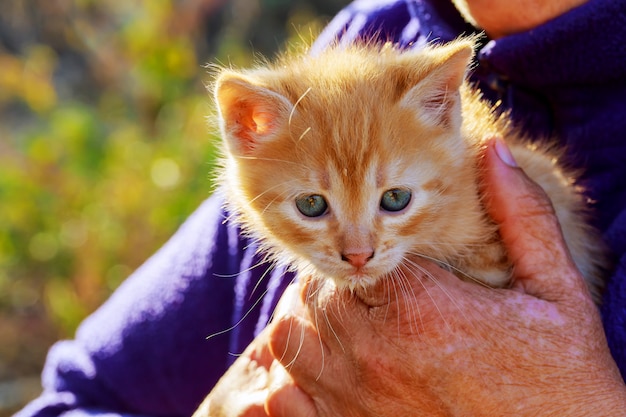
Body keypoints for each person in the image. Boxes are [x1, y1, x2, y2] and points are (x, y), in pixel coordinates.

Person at [17, 0, 626, 416]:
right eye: (314, 206)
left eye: (393, 200)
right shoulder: (366, 45)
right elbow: (76, 398)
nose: (356, 251)